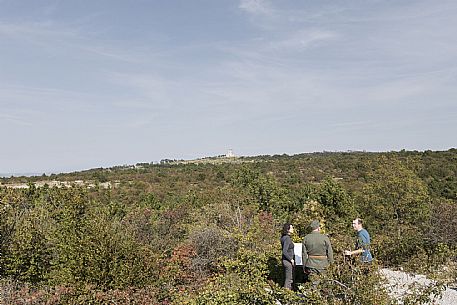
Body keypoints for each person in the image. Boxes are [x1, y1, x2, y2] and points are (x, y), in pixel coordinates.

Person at [280, 223, 295, 289]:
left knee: (288, 278)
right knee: (289, 279)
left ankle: (287, 293)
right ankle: (286, 293)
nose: (293, 229)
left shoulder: (283, 237)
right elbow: (284, 251)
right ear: (288, 229)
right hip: (287, 261)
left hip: (285, 261)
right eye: (291, 228)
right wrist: (291, 259)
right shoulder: (287, 238)